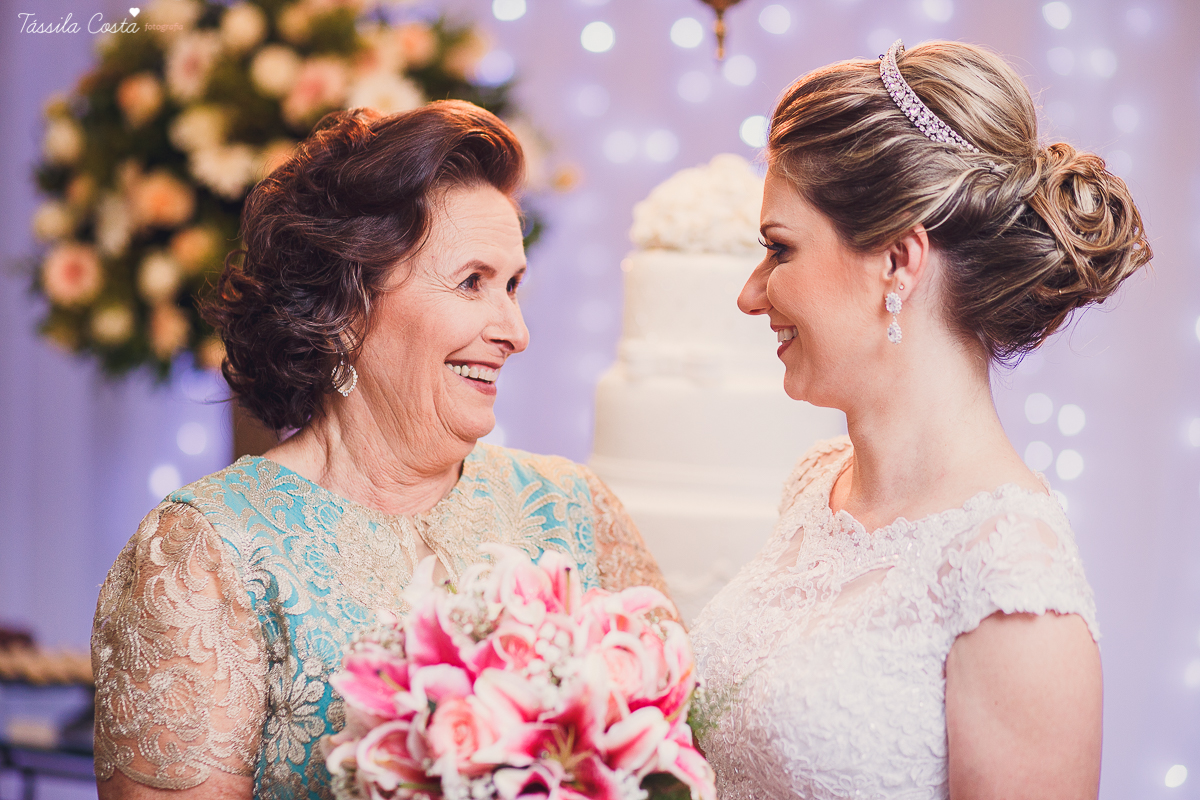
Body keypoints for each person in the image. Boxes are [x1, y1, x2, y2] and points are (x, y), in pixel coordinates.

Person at [91, 101, 667, 800]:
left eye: (512, 286)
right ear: (345, 306)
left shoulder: (576, 512)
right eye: (472, 283)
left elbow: (670, 763)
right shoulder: (204, 552)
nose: (514, 331)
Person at [689, 40, 1149, 800]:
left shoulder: (1012, 583)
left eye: (779, 250)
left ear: (898, 262)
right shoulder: (817, 487)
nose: (751, 293)